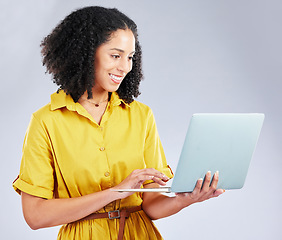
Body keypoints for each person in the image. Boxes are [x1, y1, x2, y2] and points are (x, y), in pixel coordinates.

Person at [13, 6, 224, 240]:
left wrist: (187, 198)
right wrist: (115, 192)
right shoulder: (46, 121)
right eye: (116, 55)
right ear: (86, 52)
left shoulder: (141, 115)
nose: (125, 67)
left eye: (130, 57)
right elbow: (35, 216)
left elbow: (151, 205)